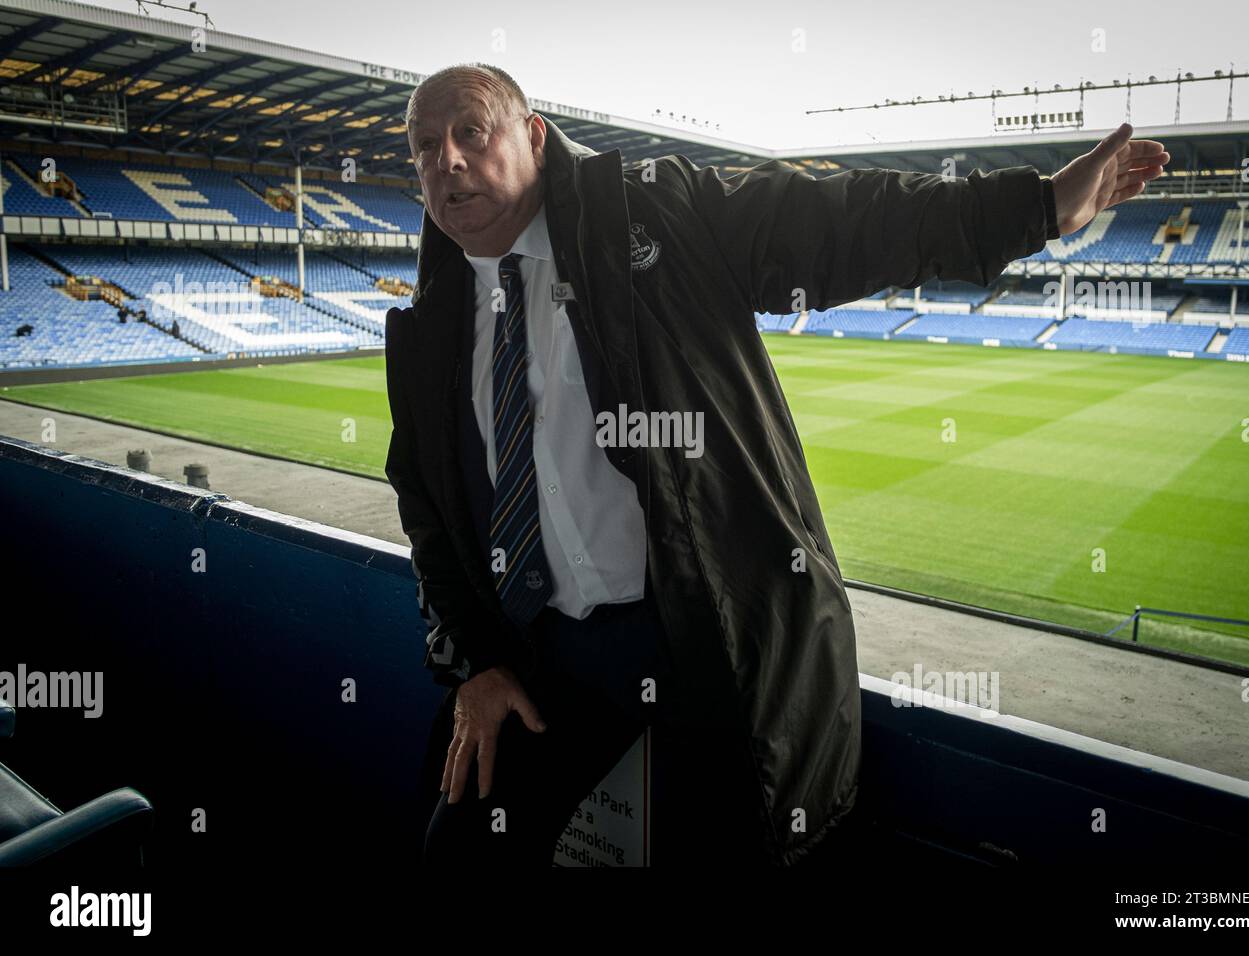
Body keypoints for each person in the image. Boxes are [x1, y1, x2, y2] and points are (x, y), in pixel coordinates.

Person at [382, 63, 1168, 868]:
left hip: (696, 637)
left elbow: (833, 220)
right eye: (423, 147)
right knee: (455, 858)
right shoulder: (430, 323)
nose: (446, 160)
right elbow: (425, 507)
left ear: (535, 136)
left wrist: (1035, 206)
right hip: (541, 658)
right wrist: (477, 661)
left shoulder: (652, 210)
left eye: (471, 132)